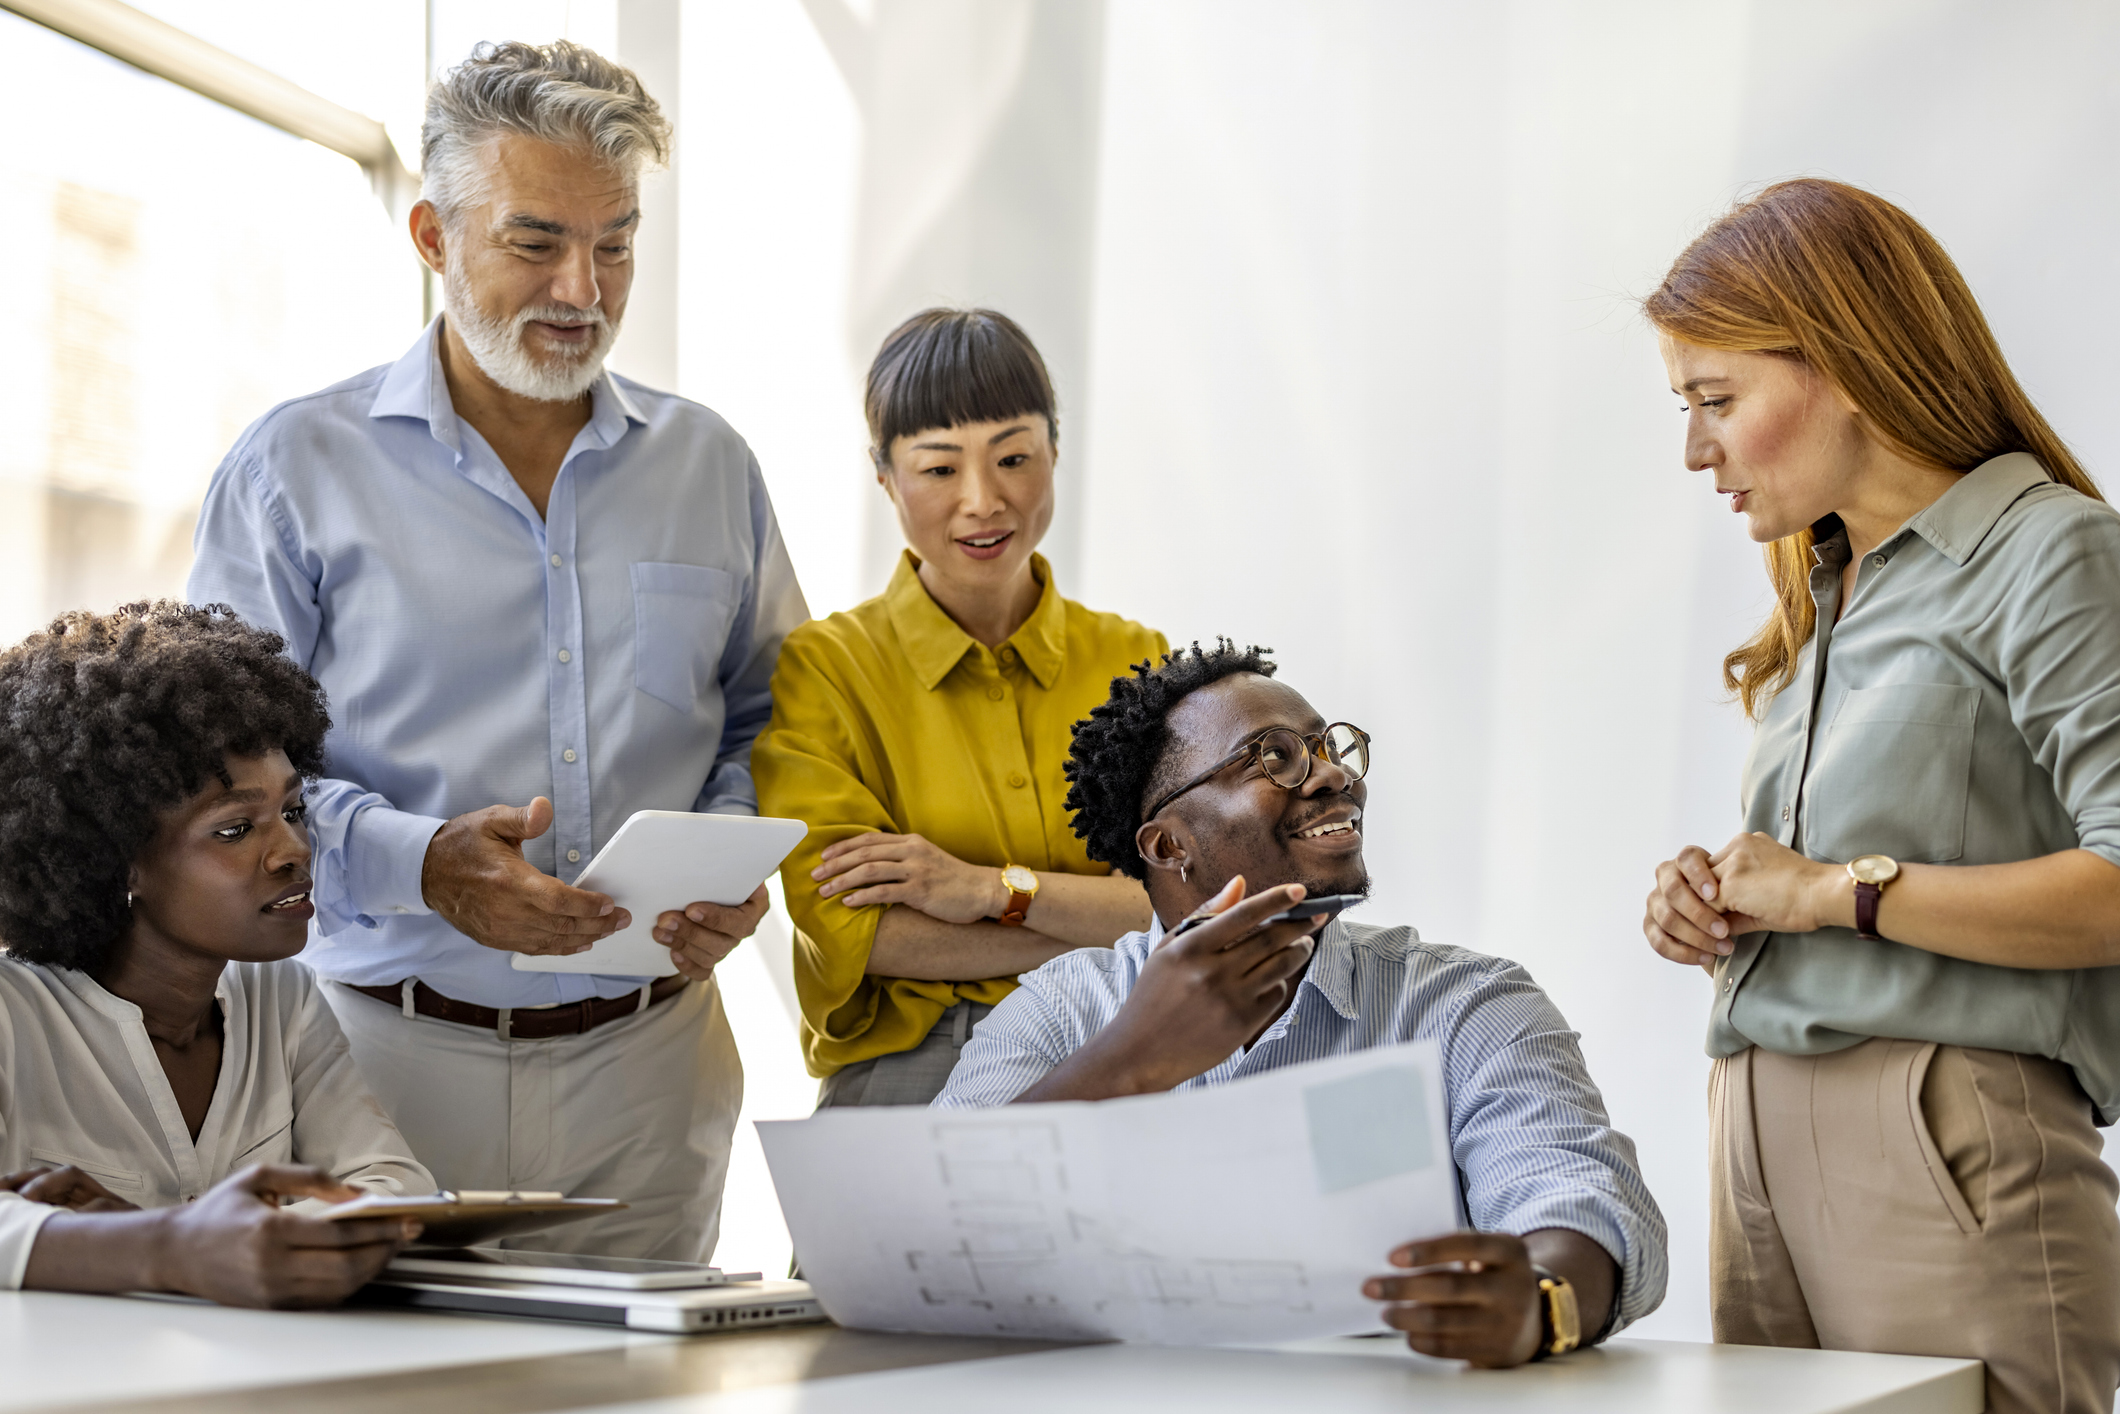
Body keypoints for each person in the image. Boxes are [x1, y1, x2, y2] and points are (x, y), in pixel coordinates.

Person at [186, 41, 806, 1261]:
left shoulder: (711, 467)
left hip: (653, 1071)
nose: (583, 285)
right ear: (430, 234)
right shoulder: (291, 472)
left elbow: (773, 716)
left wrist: (729, 856)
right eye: (536, 242)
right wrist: (423, 866)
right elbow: (214, 775)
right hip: (372, 1063)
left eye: (616, 242)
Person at [1639, 178, 2120, 1413]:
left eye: (1713, 400)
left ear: (1843, 361)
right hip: (1751, 1118)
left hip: (1939, 1126)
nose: (1694, 448)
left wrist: (1827, 893)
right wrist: (1716, 909)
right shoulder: (1827, 587)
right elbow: (1837, 880)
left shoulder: (2046, 550)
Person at [934, 642, 1666, 1368]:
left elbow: (1577, 1197)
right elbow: (931, 1227)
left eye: (1326, 746)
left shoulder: (1464, 1003)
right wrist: (1131, 1060)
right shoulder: (1064, 1009)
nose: (1333, 775)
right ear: (1167, 844)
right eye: (1273, 757)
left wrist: (1542, 1301)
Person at [753, 308, 1166, 1107]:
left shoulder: (1135, 660)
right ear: (885, 477)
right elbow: (863, 936)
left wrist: (986, 890)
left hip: (1113, 1053)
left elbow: (1188, 903)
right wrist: (1091, 918)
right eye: (940, 469)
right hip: (914, 1067)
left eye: (1013, 456)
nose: (983, 500)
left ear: (1055, 452)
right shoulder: (826, 670)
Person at [0, 603, 431, 1306]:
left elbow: (395, 1188)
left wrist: (145, 1233)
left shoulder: (284, 1000)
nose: (294, 851)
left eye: (292, 811)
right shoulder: (12, 1015)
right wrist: (174, 1246)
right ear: (120, 862)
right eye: (235, 829)